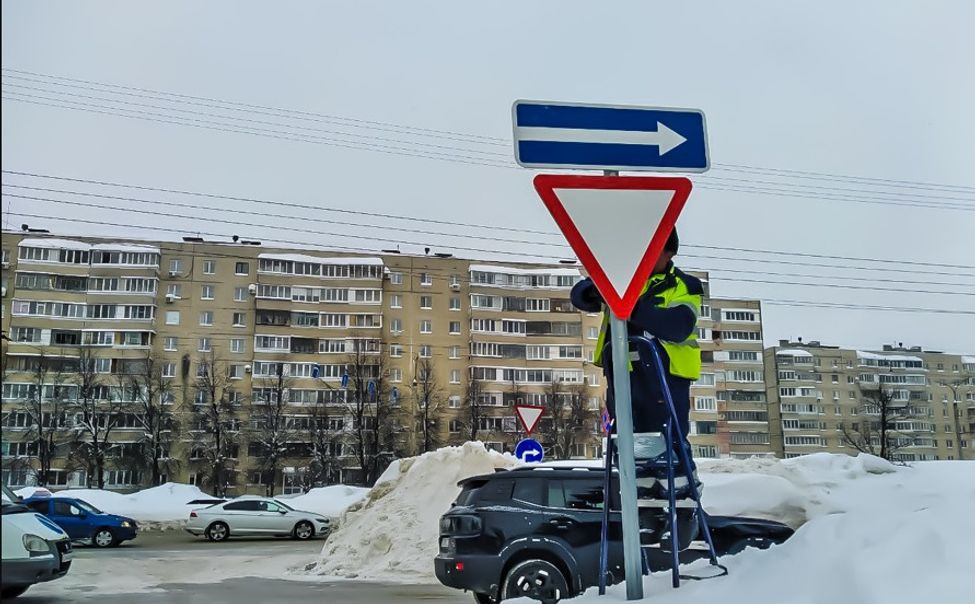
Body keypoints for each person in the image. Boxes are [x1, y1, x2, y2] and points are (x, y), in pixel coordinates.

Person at [571, 226, 703, 501]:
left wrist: (626, 304)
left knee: (668, 438)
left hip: (666, 375)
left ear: (669, 253)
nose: (644, 258)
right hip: (623, 372)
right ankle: (640, 501)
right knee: (629, 439)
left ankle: (681, 499)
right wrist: (598, 290)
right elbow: (581, 294)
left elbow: (676, 326)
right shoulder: (622, 279)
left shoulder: (684, 285)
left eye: (653, 251)